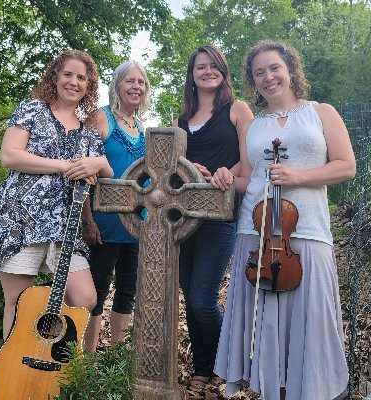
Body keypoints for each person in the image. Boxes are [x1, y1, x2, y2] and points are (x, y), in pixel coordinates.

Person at [213, 40, 356, 400]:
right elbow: (249, 178)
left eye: (274, 68)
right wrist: (222, 178)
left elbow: (346, 166)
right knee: (266, 326)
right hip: (256, 232)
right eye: (259, 72)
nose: (268, 77)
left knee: (309, 322)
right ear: (253, 80)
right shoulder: (254, 125)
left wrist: (298, 177)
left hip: (306, 231)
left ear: (290, 69)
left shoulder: (321, 112)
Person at [0, 50, 113, 341]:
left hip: (65, 226)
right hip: (21, 219)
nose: (74, 82)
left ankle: (51, 366)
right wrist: (66, 166)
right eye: (68, 74)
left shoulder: (88, 131)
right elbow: (9, 155)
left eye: (81, 77)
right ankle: (13, 376)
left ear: (89, 85)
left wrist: (99, 163)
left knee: (85, 297)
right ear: (55, 76)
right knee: (18, 300)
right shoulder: (33, 109)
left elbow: (108, 173)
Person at [172, 45, 253, 399]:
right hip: (183, 216)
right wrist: (189, 173)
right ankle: (204, 368)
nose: (207, 71)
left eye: (213, 66)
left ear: (223, 71)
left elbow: (249, 167)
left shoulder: (237, 110)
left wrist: (223, 174)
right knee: (190, 296)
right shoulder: (180, 121)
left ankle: (233, 364)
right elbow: (171, 171)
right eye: (200, 67)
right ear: (192, 75)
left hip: (220, 214)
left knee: (203, 299)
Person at [82, 61, 150, 352]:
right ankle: (89, 359)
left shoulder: (141, 127)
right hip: (103, 222)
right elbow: (81, 170)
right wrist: (87, 219)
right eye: (129, 81)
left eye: (141, 82)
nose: (136, 86)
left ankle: (116, 356)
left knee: (127, 291)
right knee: (97, 290)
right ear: (117, 86)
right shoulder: (100, 118)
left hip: (137, 223)